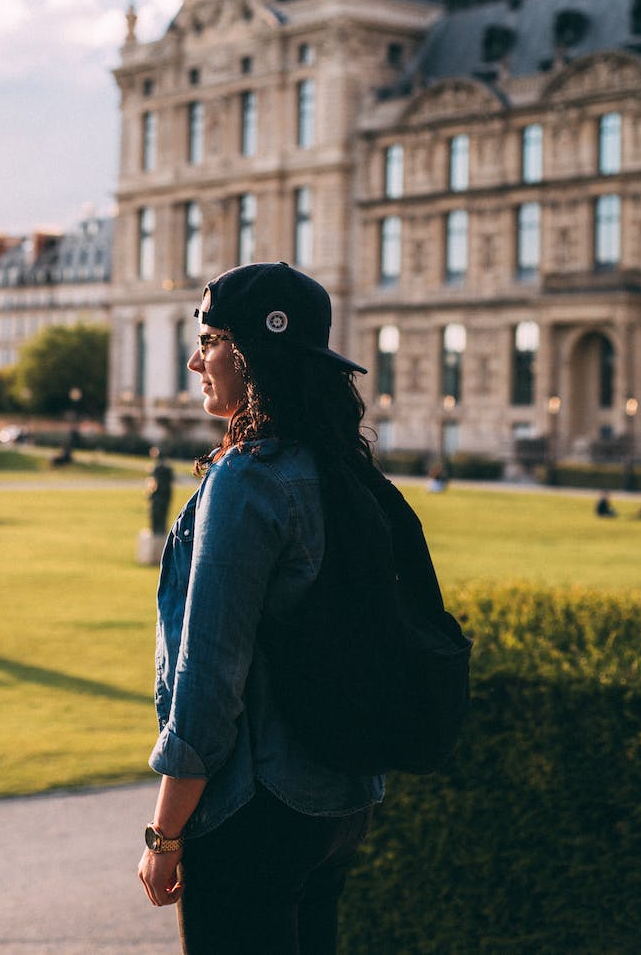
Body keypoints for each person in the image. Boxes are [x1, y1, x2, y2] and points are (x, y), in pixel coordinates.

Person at [138, 262, 385, 954]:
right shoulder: (339, 467)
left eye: (212, 340)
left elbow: (208, 681)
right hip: (339, 798)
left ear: (253, 354)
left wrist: (165, 835)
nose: (196, 360)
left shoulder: (248, 479)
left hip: (256, 808)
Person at [146, 446, 175, 536]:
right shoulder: (168, 468)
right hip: (166, 494)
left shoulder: (156, 468)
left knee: (156, 513)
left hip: (158, 495)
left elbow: (154, 483)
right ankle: (161, 529)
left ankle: (156, 530)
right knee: (163, 513)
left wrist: (150, 493)